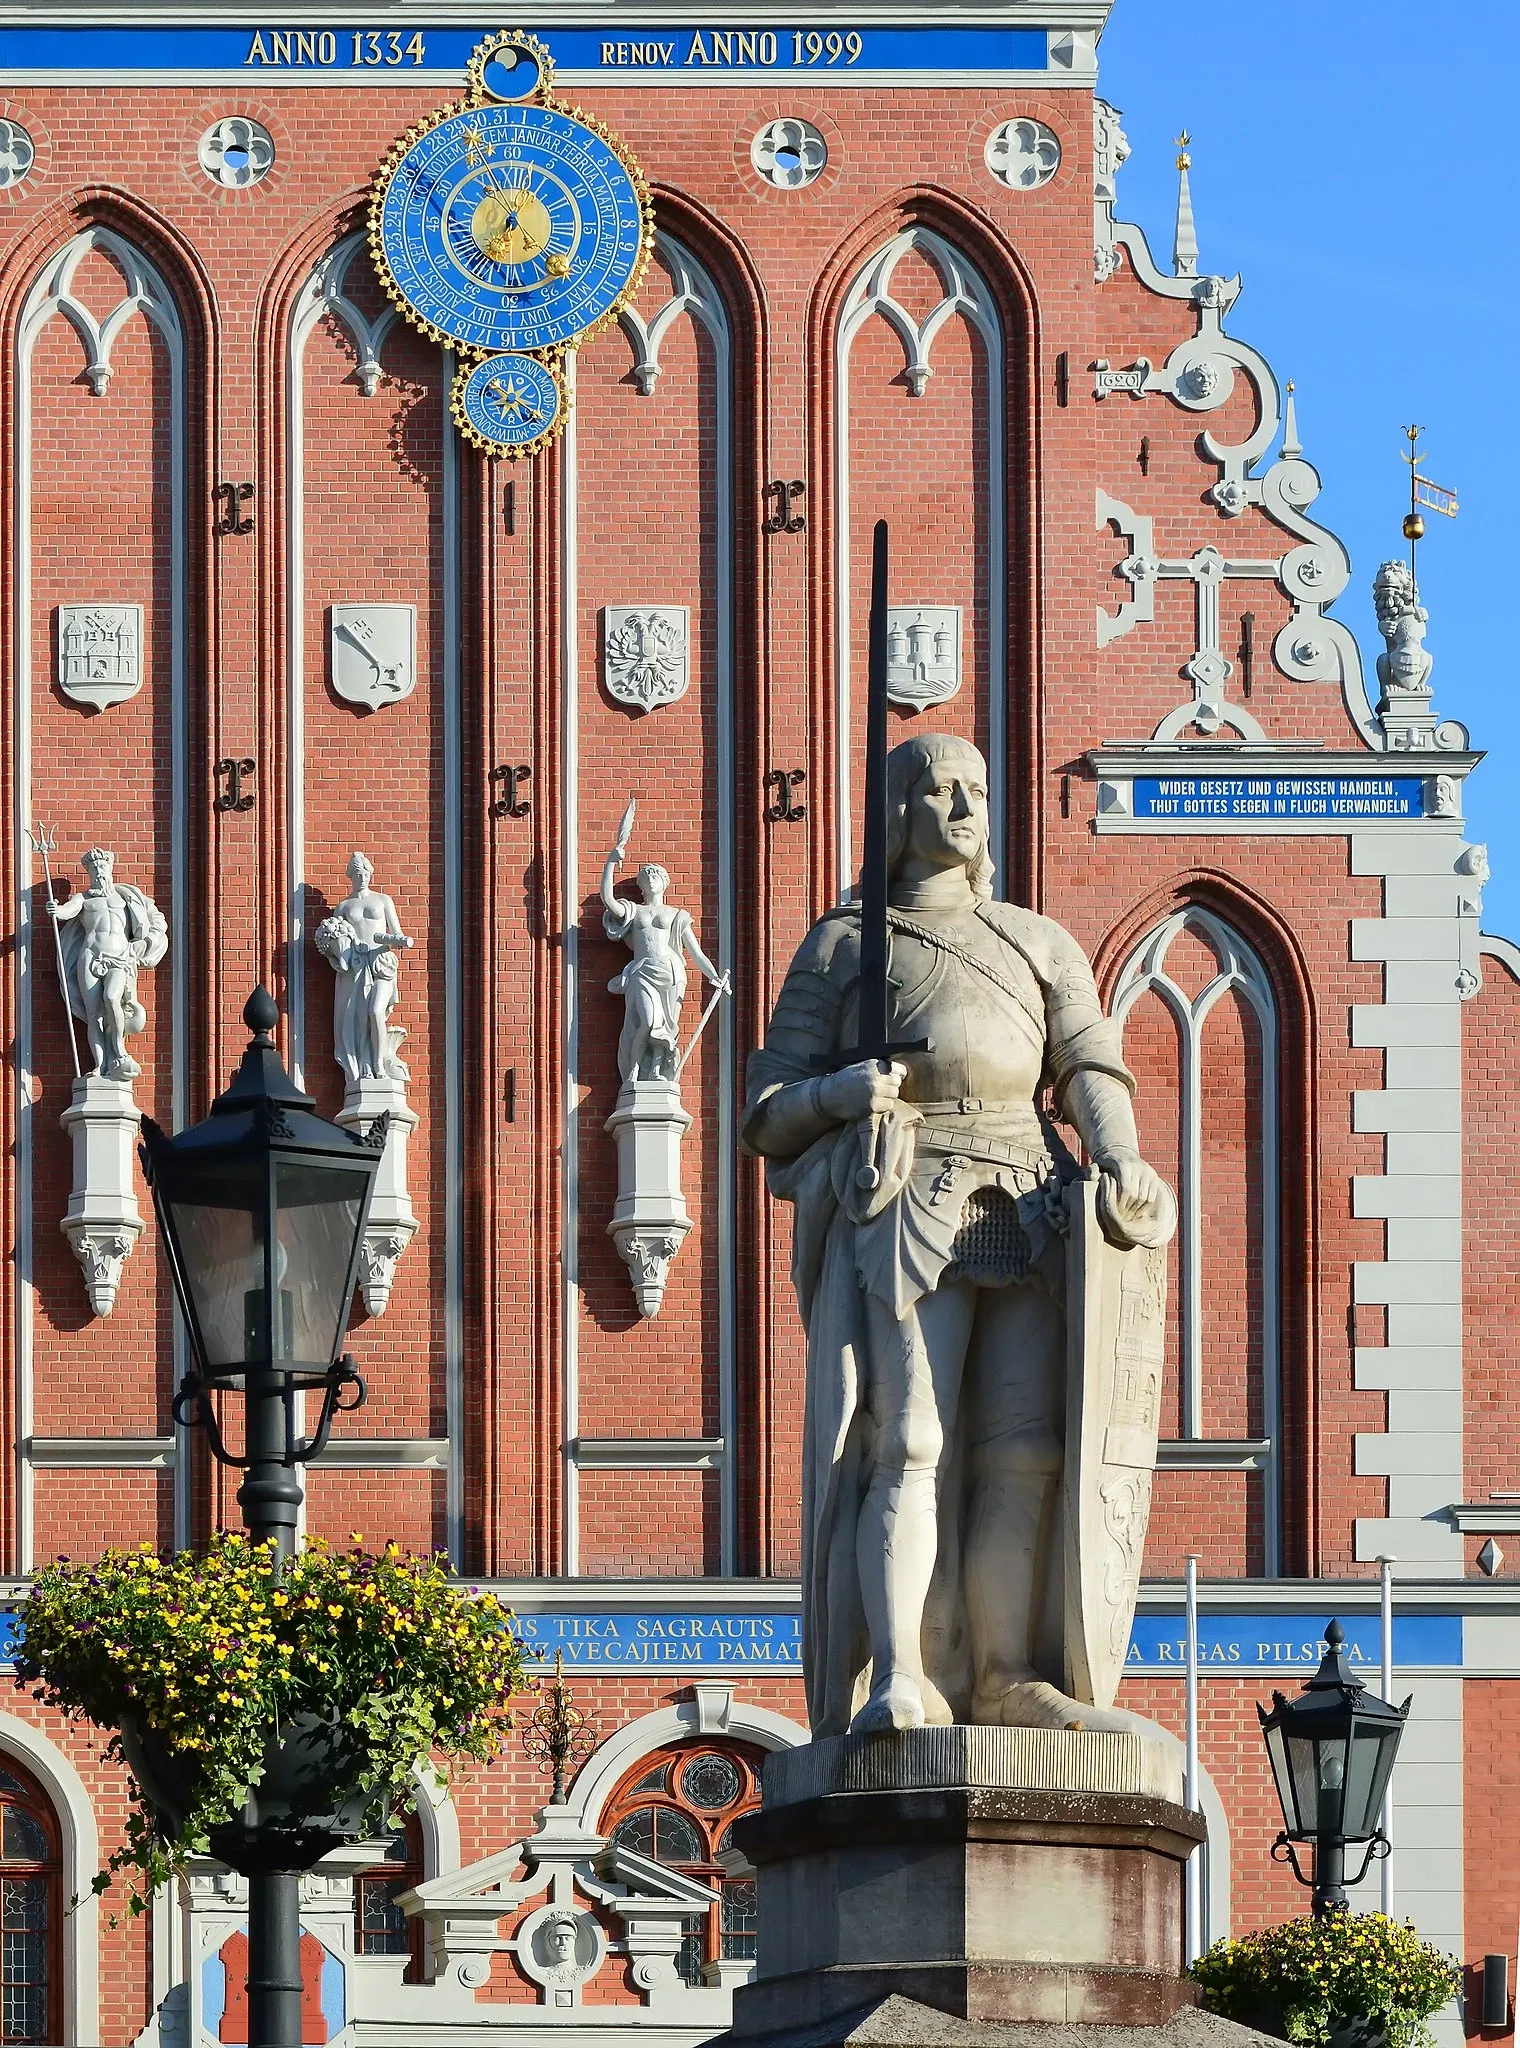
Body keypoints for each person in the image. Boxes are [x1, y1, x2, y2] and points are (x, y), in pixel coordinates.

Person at [742, 734, 1175, 1737]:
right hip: (909, 1190)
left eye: (975, 787)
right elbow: (765, 1105)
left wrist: (1117, 1155)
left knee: (1023, 1453)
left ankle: (1005, 1671)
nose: (962, 805)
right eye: (935, 789)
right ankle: (896, 1672)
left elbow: (1086, 1065)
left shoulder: (1036, 940)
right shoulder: (845, 943)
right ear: (896, 811)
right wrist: (833, 1092)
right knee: (910, 1439)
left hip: (1033, 1199)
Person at [601, 804, 726, 1084]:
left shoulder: (677, 915)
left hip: (671, 972)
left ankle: (657, 1072)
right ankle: (633, 1073)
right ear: (640, 885)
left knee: (667, 1028)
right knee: (646, 1023)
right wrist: (611, 862)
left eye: (655, 874)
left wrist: (716, 977)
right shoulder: (634, 911)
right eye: (646, 875)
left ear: (665, 883)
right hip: (642, 972)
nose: (650, 877)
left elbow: (695, 952)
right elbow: (608, 900)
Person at [47, 846, 167, 1081]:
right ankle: (100, 1066)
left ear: (109, 869)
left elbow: (146, 924)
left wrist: (144, 944)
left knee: (113, 998)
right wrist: (56, 910)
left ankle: (119, 1050)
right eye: (94, 869)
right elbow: (65, 912)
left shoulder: (124, 897)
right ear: (89, 872)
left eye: (102, 867)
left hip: (120, 957)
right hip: (90, 956)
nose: (99, 872)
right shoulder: (83, 898)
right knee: (94, 1014)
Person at [314, 852, 413, 1085]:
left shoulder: (382, 900)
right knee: (358, 1018)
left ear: (371, 873)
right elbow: (333, 939)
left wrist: (395, 939)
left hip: (381, 961)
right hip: (356, 966)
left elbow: (396, 931)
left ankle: (379, 1064)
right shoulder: (344, 907)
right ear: (351, 876)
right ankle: (364, 1065)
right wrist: (337, 954)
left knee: (376, 1011)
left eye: (366, 873)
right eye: (357, 874)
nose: (362, 878)